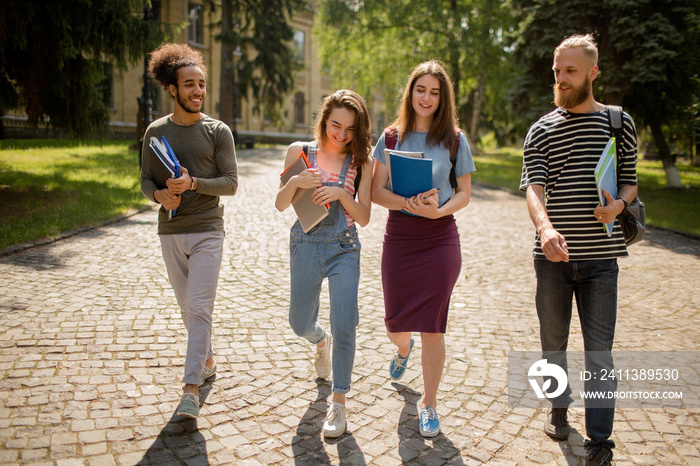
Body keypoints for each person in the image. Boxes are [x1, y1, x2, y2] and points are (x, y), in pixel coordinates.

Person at [519, 34, 639, 466]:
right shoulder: (541, 128)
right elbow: (533, 188)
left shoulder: (617, 122)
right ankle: (557, 409)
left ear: (593, 72)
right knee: (553, 343)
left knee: (599, 351)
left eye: (570, 71)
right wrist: (546, 228)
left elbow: (629, 179)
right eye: (556, 71)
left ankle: (600, 441)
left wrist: (620, 206)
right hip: (551, 259)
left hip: (602, 261)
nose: (561, 79)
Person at [371, 60, 475, 438]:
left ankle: (429, 404)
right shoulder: (392, 137)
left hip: (440, 238)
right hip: (399, 237)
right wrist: (407, 204)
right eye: (421, 90)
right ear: (410, 92)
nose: (427, 98)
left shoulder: (454, 139)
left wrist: (437, 212)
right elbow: (375, 190)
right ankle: (402, 349)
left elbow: (464, 193)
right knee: (395, 323)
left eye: (434, 92)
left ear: (442, 97)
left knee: (434, 326)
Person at [140, 43, 238, 419]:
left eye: (202, 84)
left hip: (208, 230)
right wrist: (160, 195)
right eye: (189, 85)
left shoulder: (218, 131)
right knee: (188, 308)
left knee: (200, 306)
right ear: (172, 89)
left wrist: (193, 183)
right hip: (171, 231)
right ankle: (207, 357)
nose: (197, 91)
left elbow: (230, 183)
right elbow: (145, 180)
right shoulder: (155, 132)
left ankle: (190, 390)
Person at [275, 90, 373, 438]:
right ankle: (319, 342)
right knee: (298, 322)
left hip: (344, 247)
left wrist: (343, 194)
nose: (342, 135)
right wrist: (296, 181)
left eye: (350, 129)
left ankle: (340, 402)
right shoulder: (298, 151)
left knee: (345, 321)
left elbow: (364, 217)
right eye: (336, 125)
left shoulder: (363, 161)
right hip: (304, 243)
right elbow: (280, 204)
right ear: (324, 120)